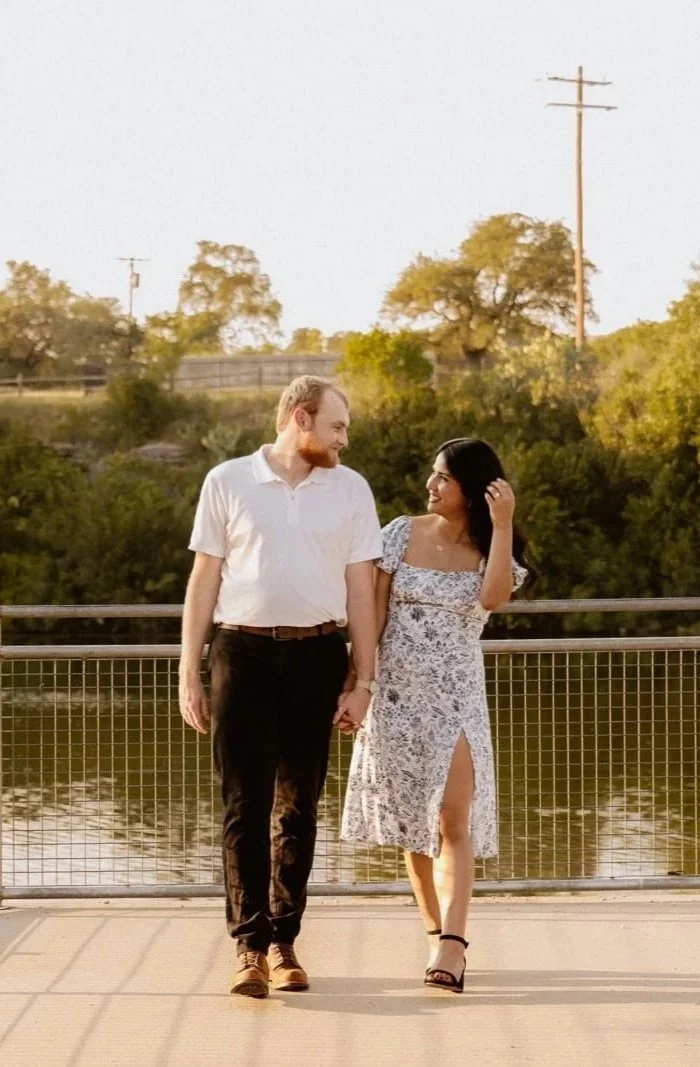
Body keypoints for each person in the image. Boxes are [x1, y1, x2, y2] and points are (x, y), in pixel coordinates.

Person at [179, 376, 382, 999]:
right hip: (240, 654)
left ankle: (284, 942)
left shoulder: (350, 489)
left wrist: (363, 677)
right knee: (244, 806)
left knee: (298, 807)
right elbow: (204, 580)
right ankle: (248, 948)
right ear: (301, 417)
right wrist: (189, 669)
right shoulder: (228, 480)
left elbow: (360, 589)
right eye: (336, 427)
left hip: (318, 655)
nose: (344, 440)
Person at [341, 437, 529, 993]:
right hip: (396, 694)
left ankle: (455, 943)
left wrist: (502, 522)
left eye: (443, 478)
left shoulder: (494, 545)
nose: (431, 485)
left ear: (472, 489)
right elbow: (371, 614)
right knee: (412, 823)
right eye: (432, 475)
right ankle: (432, 933)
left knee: (452, 817)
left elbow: (492, 598)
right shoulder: (400, 532)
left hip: (456, 699)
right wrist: (362, 683)